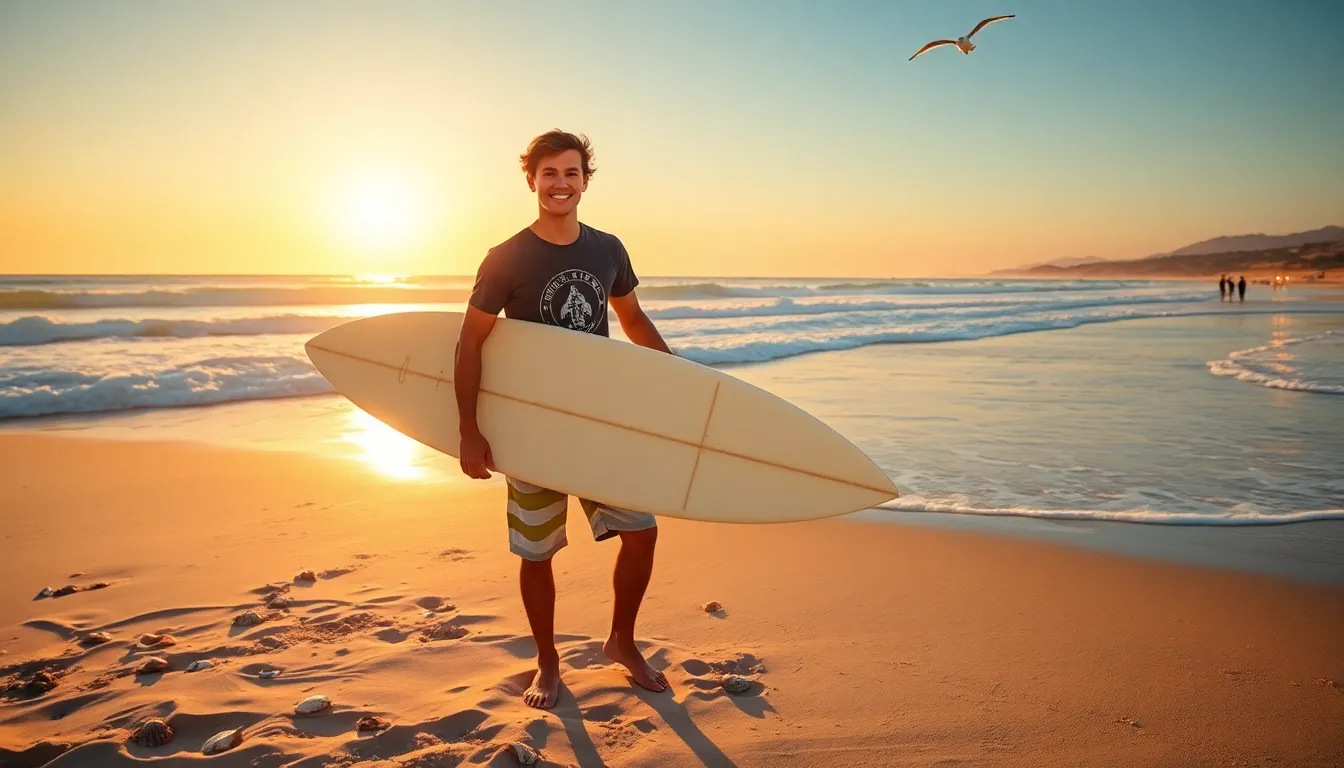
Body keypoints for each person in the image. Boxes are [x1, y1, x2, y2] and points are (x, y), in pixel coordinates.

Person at [453, 130, 674, 711]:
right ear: (531, 180)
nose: (561, 184)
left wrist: (679, 383)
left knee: (641, 532)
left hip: (596, 420)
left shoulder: (608, 249)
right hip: (532, 427)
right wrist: (469, 430)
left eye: (571, 173)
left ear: (585, 180)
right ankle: (547, 663)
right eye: (549, 173)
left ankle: (621, 642)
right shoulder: (506, 258)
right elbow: (470, 343)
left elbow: (632, 320)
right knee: (537, 551)